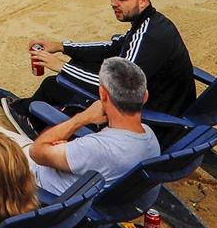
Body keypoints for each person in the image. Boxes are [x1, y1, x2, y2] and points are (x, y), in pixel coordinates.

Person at [0, 0, 195, 123]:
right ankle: (29, 108)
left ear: (142, 1)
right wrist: (62, 47)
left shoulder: (149, 36)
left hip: (158, 120)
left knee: (61, 82)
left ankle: (30, 116)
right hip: (164, 102)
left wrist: (61, 67)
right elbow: (110, 49)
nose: (113, 3)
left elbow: (116, 88)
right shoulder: (151, 24)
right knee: (77, 73)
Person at [22, 57, 161, 195]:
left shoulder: (97, 147)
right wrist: (71, 150)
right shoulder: (150, 138)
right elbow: (95, 158)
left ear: (103, 95)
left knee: (0, 139)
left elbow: (36, 152)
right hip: (85, 184)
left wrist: (82, 118)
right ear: (145, 96)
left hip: (33, 181)